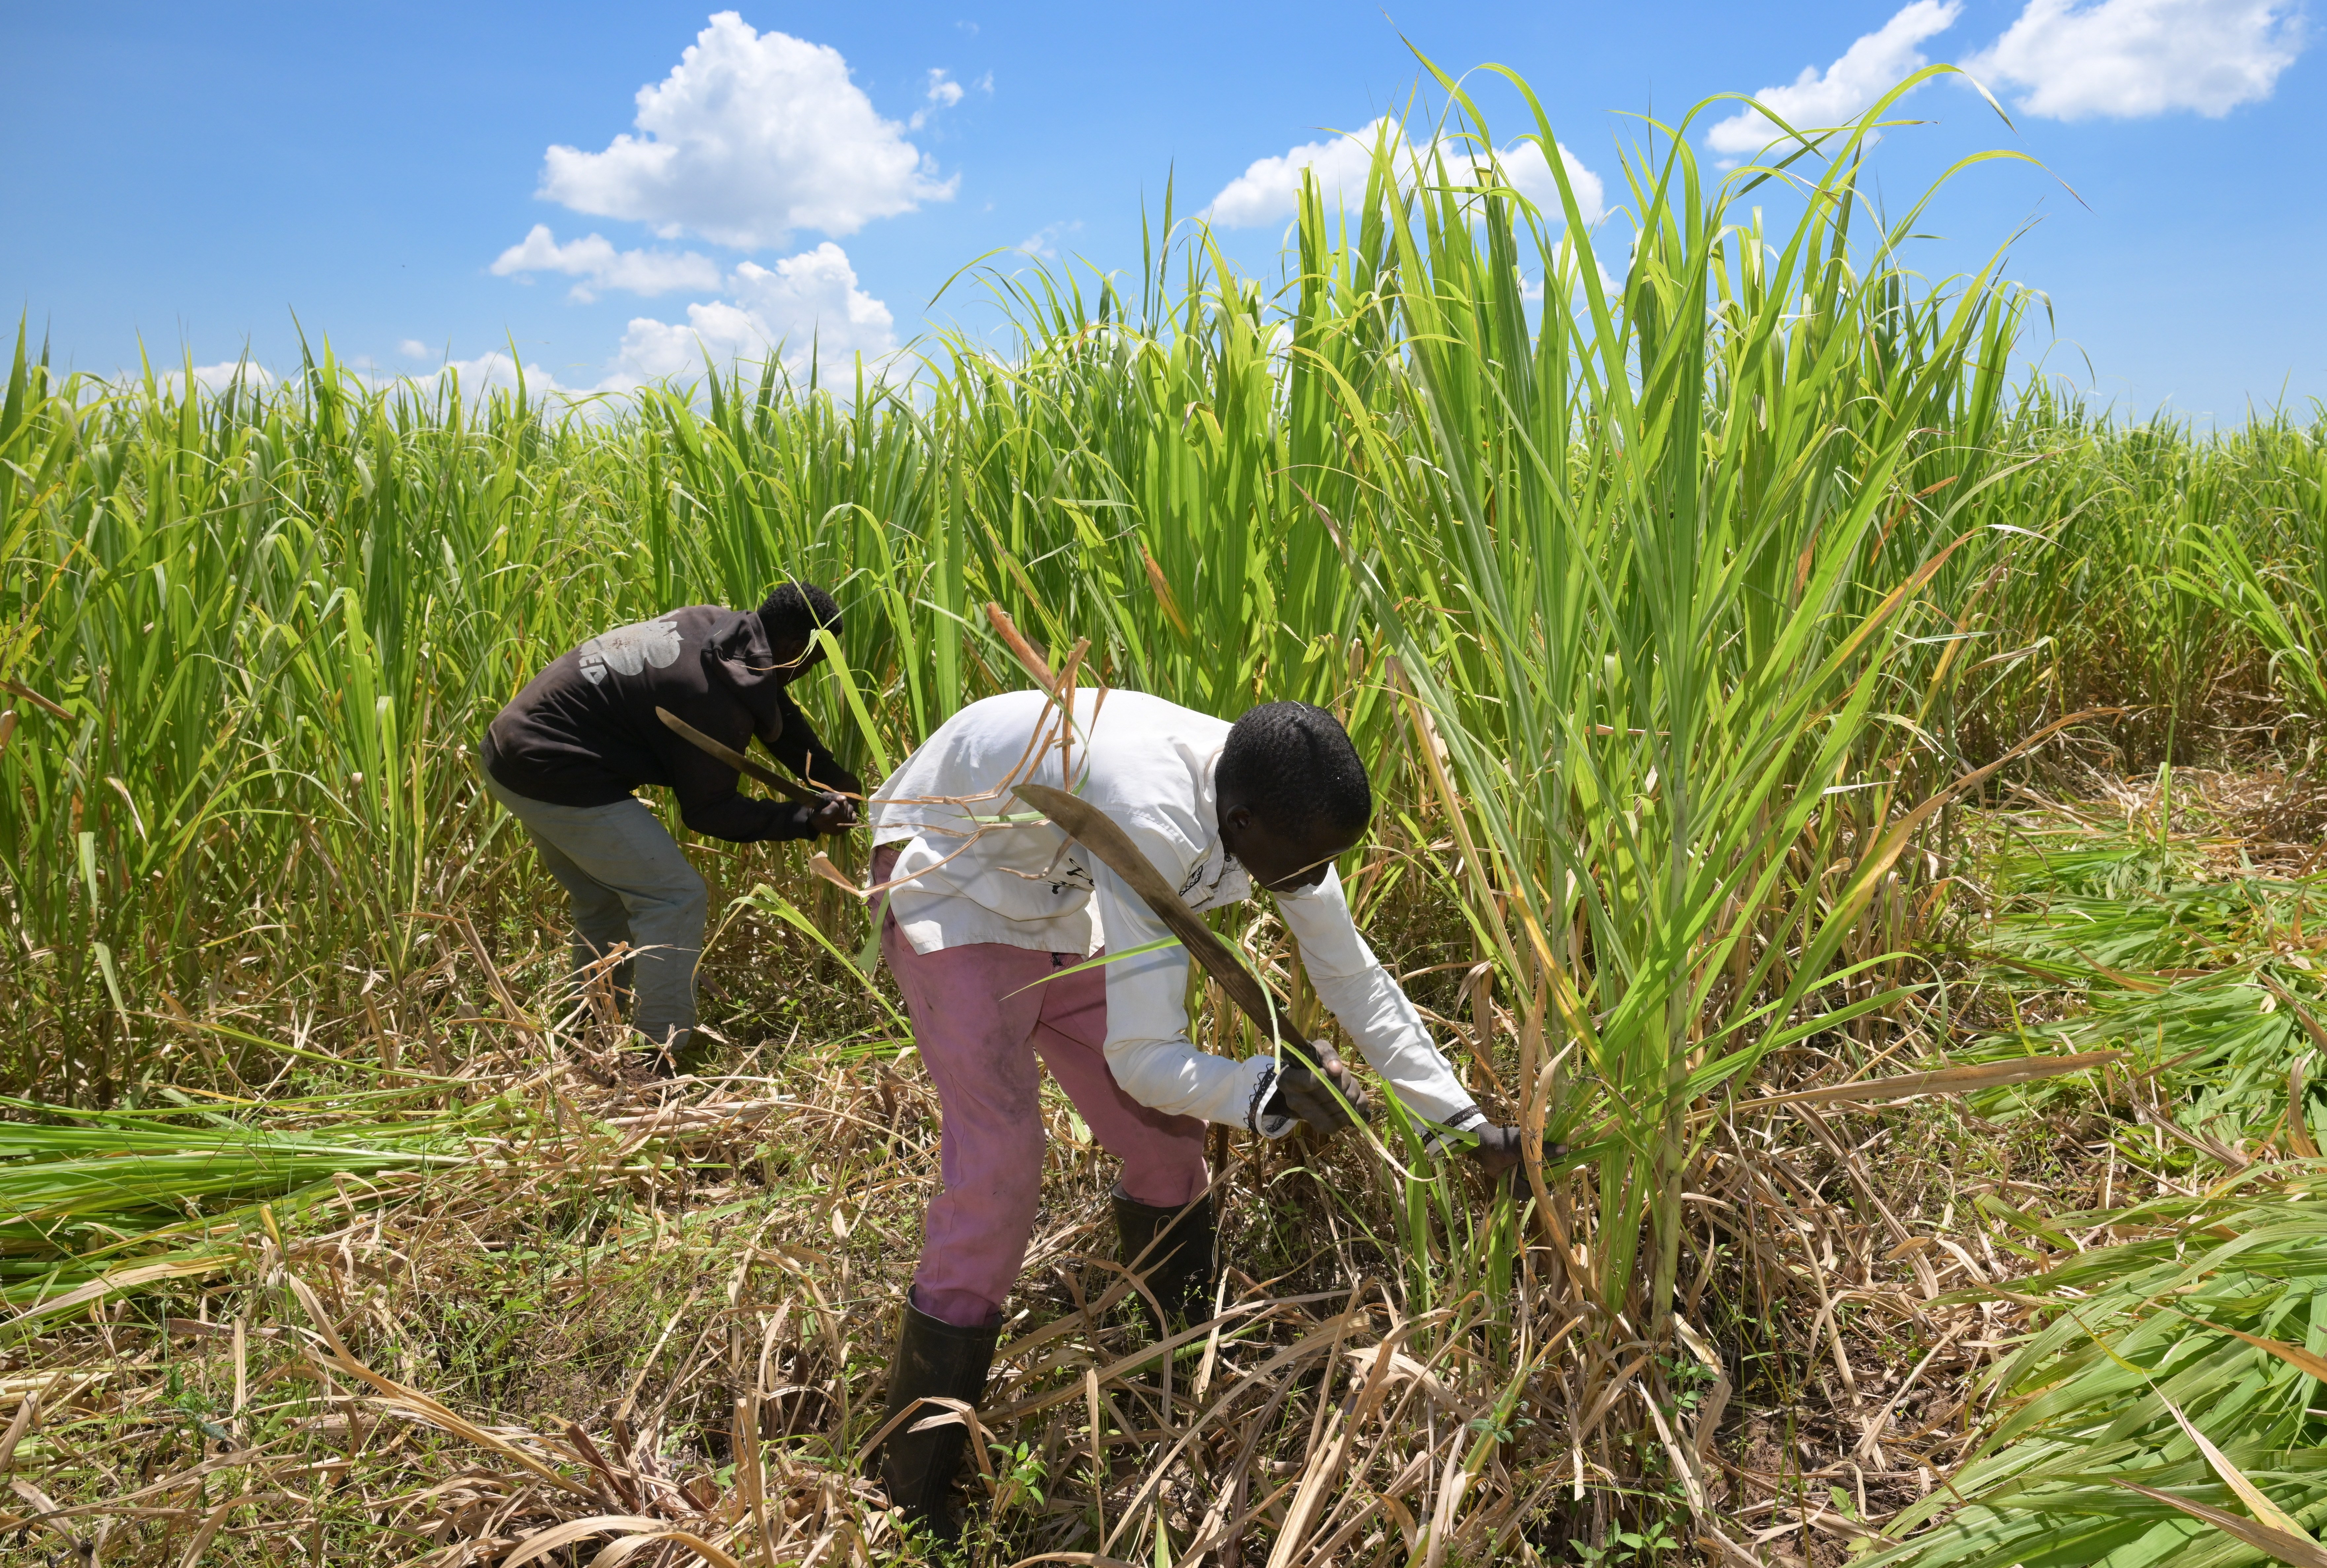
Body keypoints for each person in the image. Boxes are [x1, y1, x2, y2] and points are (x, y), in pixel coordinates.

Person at [862, 686, 1520, 1537]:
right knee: (1000, 1170)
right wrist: (1264, 1092)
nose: (1314, 881)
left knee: (1167, 1150)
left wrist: (1462, 1126)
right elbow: (1142, 1059)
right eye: (1302, 865)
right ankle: (915, 1481)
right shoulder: (1152, 820)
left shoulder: (1285, 808)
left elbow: (1351, 978)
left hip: (1059, 895)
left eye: (1328, 862)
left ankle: (1174, 1360)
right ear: (1240, 825)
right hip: (948, 881)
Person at [480, 583, 861, 1071]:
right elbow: (710, 811)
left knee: (606, 898)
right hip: (554, 771)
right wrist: (805, 819)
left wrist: (830, 776)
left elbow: (772, 706)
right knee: (674, 896)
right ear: (793, 651)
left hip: (511, 750)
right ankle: (659, 1058)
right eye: (810, 665)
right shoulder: (709, 698)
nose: (800, 679)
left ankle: (586, 1035)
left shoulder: (719, 628)